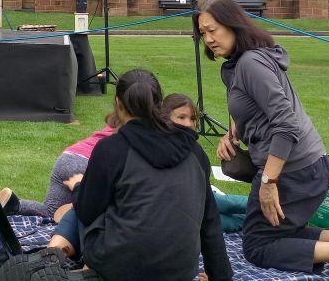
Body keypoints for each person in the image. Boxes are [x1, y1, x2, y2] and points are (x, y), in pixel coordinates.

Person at [198, 0, 329, 281]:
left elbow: (286, 124)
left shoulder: (251, 64)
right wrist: (232, 132)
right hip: (303, 166)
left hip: (293, 170)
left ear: (234, 25)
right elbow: (253, 105)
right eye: (202, 33)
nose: (208, 38)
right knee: (284, 232)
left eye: (213, 29)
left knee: (258, 245)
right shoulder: (236, 66)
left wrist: (269, 183)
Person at [46, 69, 233, 281]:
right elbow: (210, 222)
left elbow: (87, 212)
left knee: (83, 205)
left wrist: (80, 187)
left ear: (118, 103)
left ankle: (73, 261)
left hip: (120, 267)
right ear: (160, 105)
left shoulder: (112, 148)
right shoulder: (194, 150)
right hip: (179, 270)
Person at [0, 111, 120, 222]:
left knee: (50, 211)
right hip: (89, 162)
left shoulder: (116, 117)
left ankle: (15, 204)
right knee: (90, 210)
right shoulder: (132, 126)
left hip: (68, 157)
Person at [163, 93, 248, 233]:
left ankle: (277, 208)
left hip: (201, 200)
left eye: (193, 118)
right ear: (164, 118)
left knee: (230, 204)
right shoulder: (158, 148)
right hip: (181, 214)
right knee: (234, 220)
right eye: (181, 117)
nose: (188, 124)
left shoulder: (195, 150)